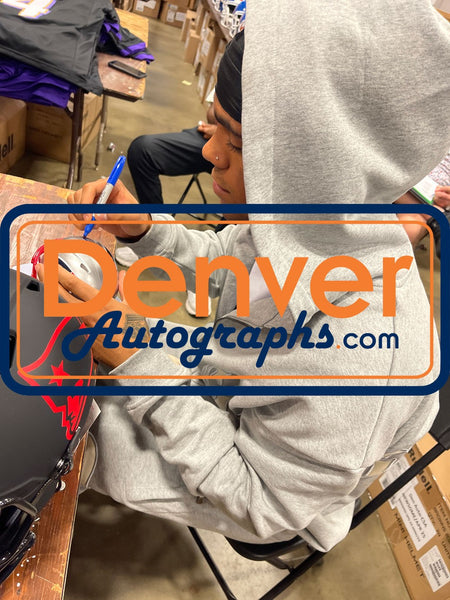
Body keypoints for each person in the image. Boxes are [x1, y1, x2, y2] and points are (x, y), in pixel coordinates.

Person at [38, 1, 450, 553]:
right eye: (213, 127)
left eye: (235, 142)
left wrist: (140, 361)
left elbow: (261, 505)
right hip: (229, 388)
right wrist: (144, 230)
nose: (209, 153)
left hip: (264, 493)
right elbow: (225, 260)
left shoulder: (363, 359)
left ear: (321, 163)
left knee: (58, 429)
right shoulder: (306, 220)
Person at [115, 91, 217, 270]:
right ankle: (153, 237)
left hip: (247, 150)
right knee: (143, 150)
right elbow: (214, 110)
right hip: (214, 134)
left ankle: (214, 268)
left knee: (243, 199)